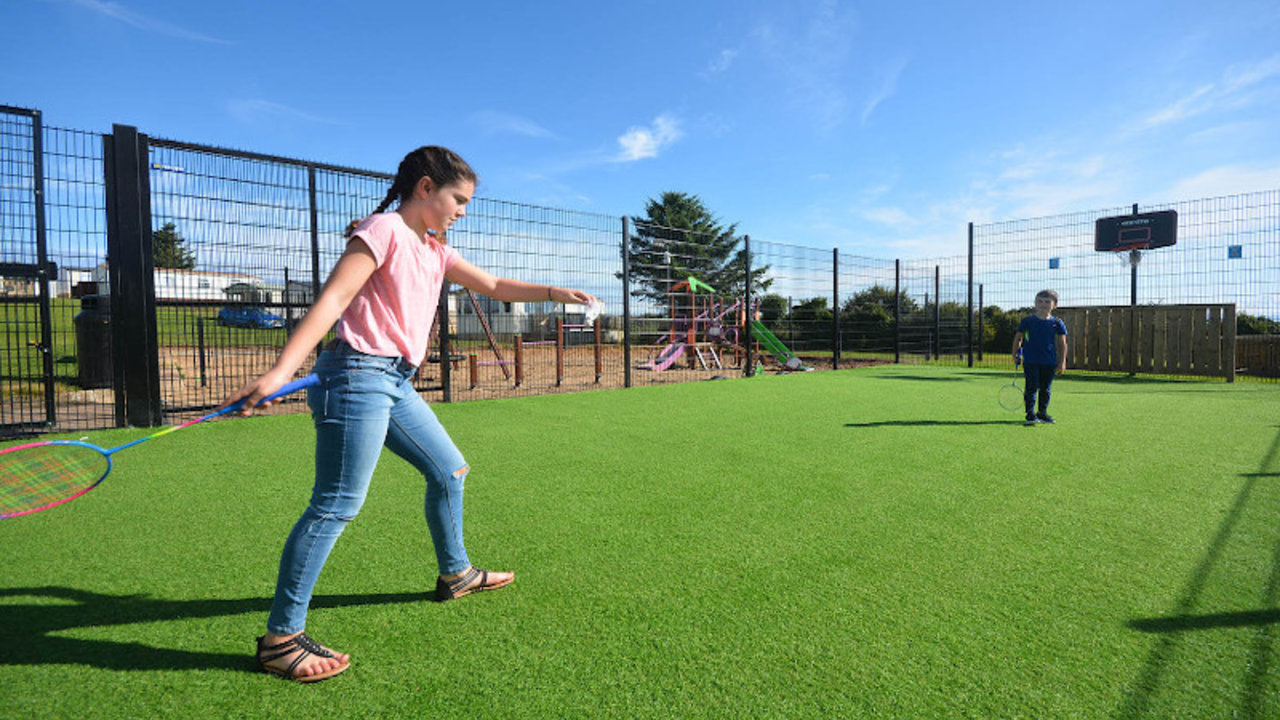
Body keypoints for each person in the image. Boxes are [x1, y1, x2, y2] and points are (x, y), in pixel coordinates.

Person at [223, 146, 597, 683]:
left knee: (450, 471)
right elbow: (332, 301)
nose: (463, 211)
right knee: (334, 506)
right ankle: (281, 639)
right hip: (355, 377)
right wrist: (282, 370)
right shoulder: (381, 231)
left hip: (393, 382)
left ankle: (456, 573)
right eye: (459, 199)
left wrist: (554, 292)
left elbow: (492, 286)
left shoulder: (435, 250)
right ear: (425, 188)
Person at [1011, 289, 1068, 425]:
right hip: (1031, 360)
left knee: (1045, 389)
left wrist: (1062, 362)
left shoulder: (1057, 323)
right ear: (1035, 303)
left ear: (1055, 305)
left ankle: (1042, 413)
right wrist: (1015, 354)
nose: (1043, 304)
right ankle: (1030, 414)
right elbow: (1018, 338)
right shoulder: (1028, 321)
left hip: (1049, 362)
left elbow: (1062, 343)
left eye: (1047, 301)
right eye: (1039, 301)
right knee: (1031, 387)